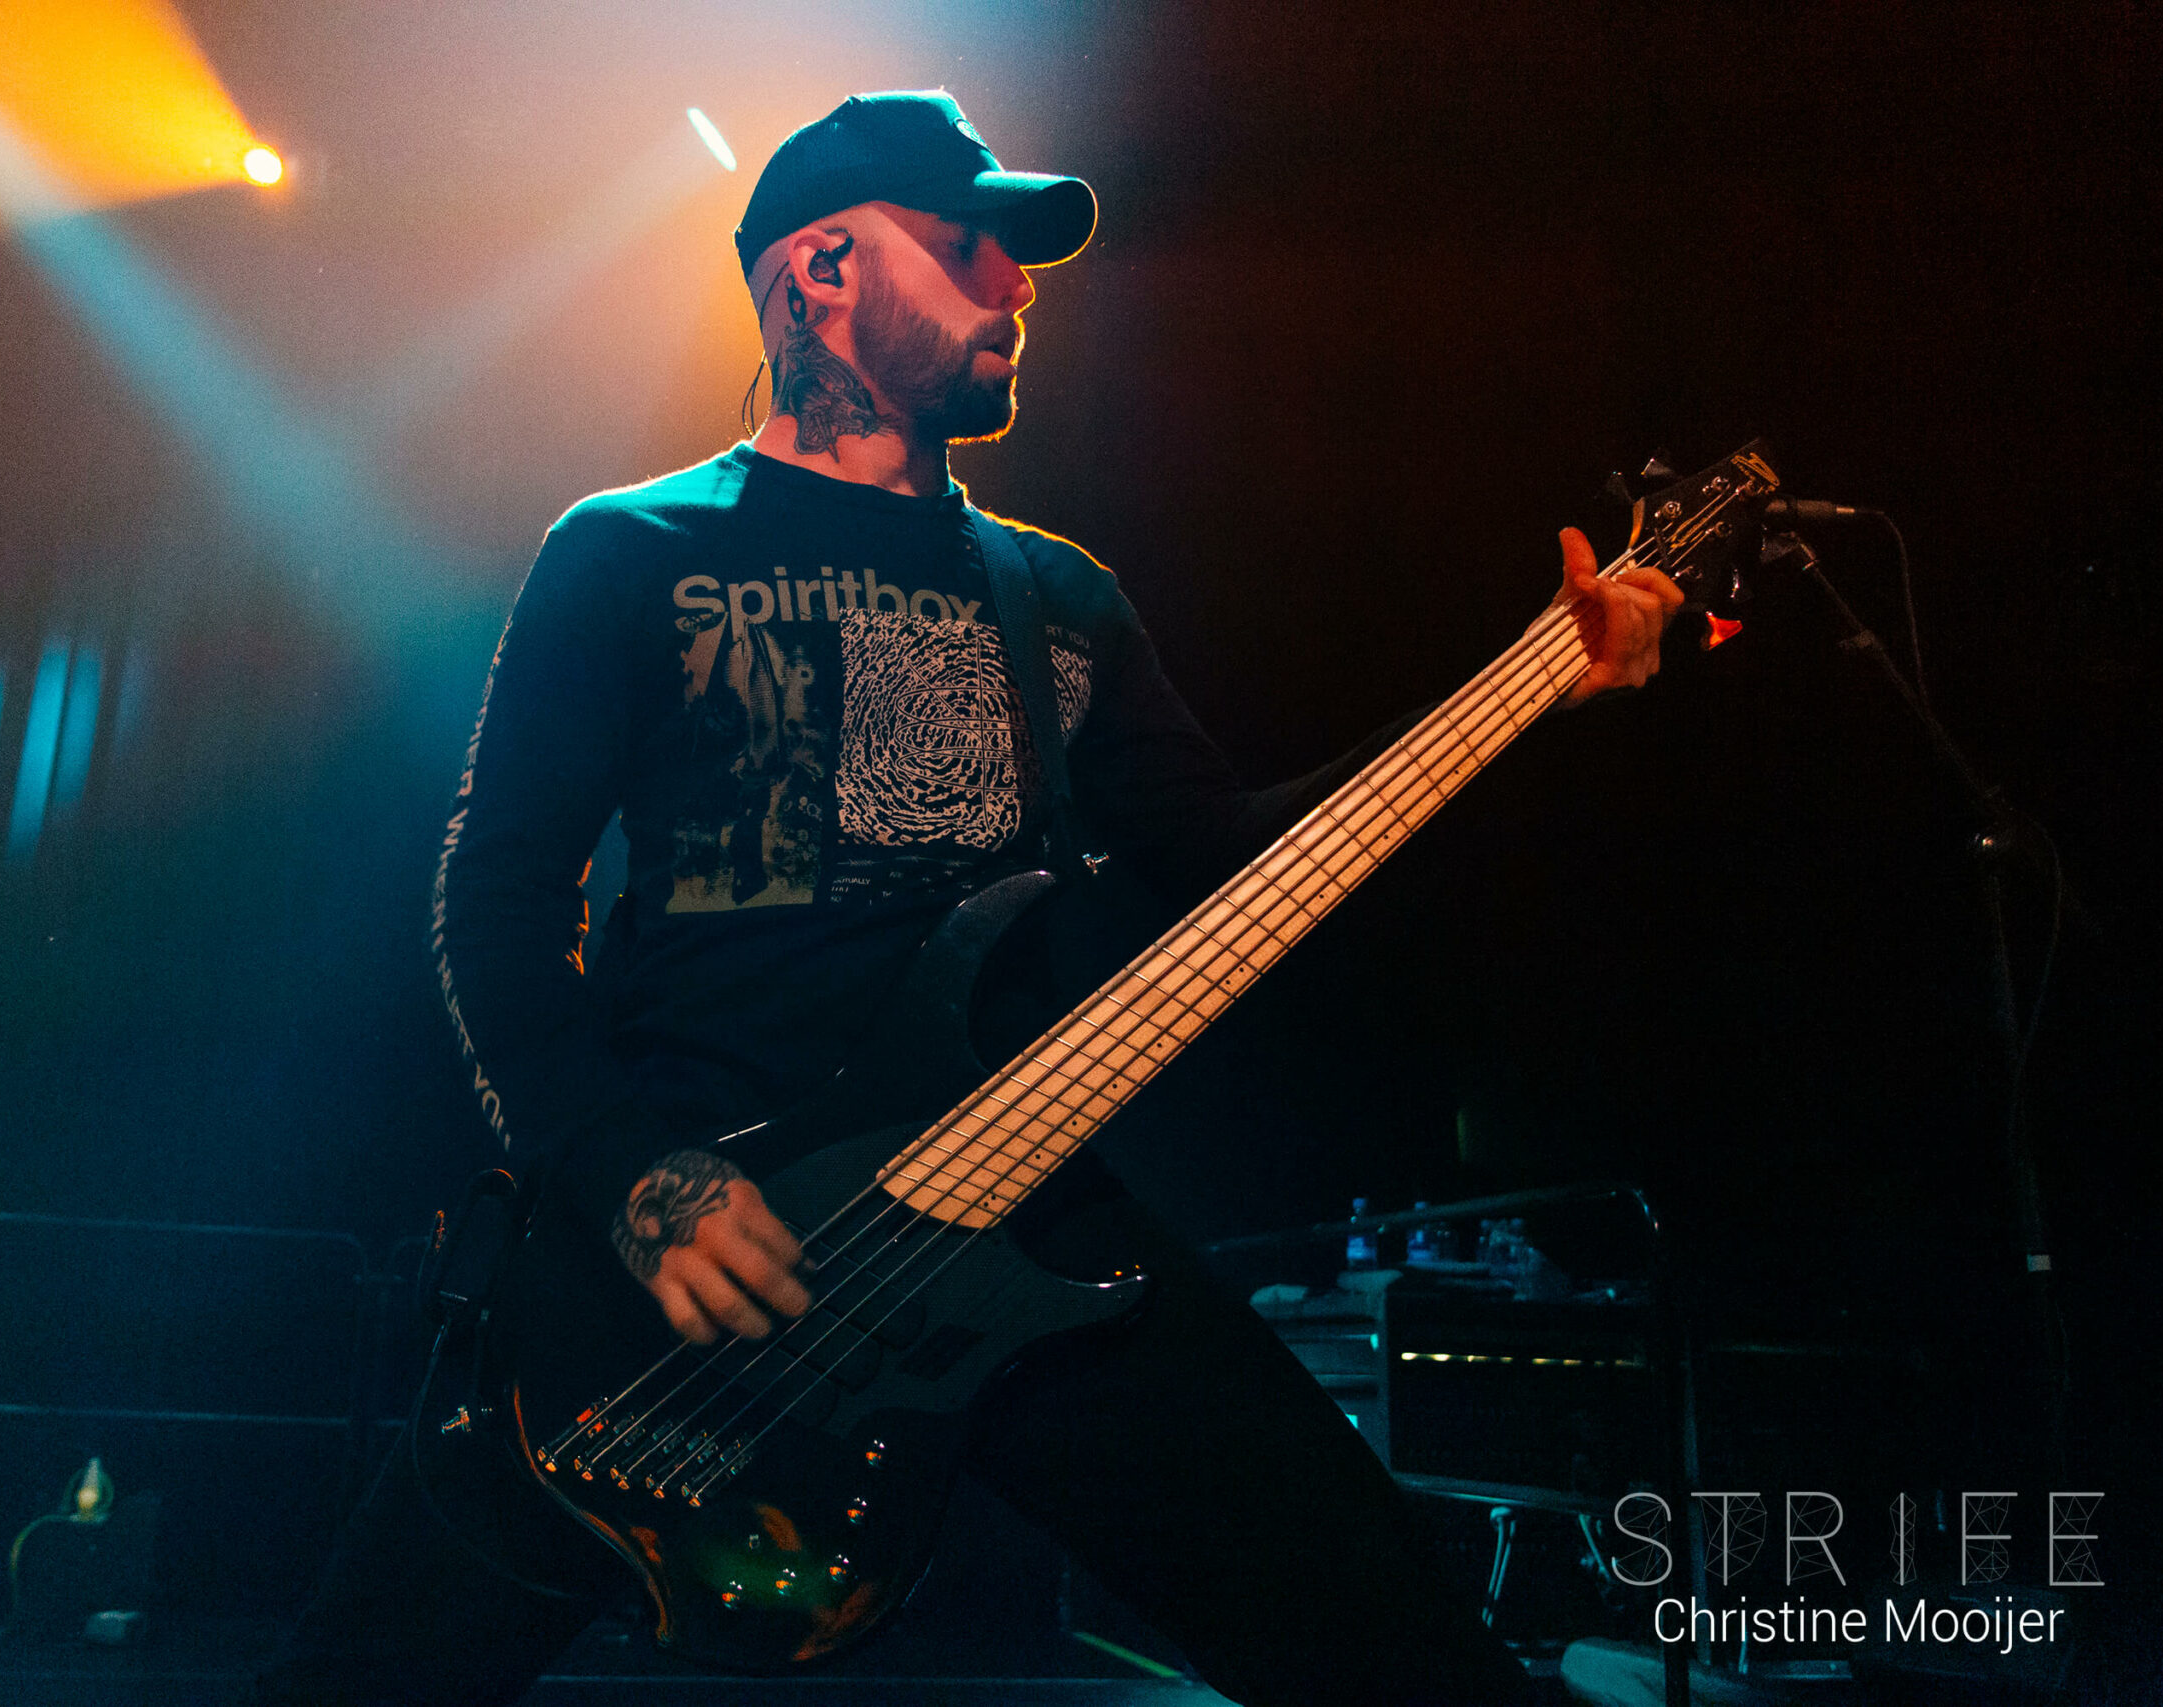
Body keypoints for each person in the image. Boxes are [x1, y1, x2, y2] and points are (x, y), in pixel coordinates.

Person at [256, 90, 1679, 1706]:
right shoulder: (630, 551)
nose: (1016, 287)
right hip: (677, 1267)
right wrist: (632, 1175)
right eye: (965, 248)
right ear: (821, 272)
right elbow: (498, 904)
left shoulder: (1058, 592)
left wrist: (1527, 686)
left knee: (1405, 1653)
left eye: (1018, 259)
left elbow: (1228, 864)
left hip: (1020, 1206)